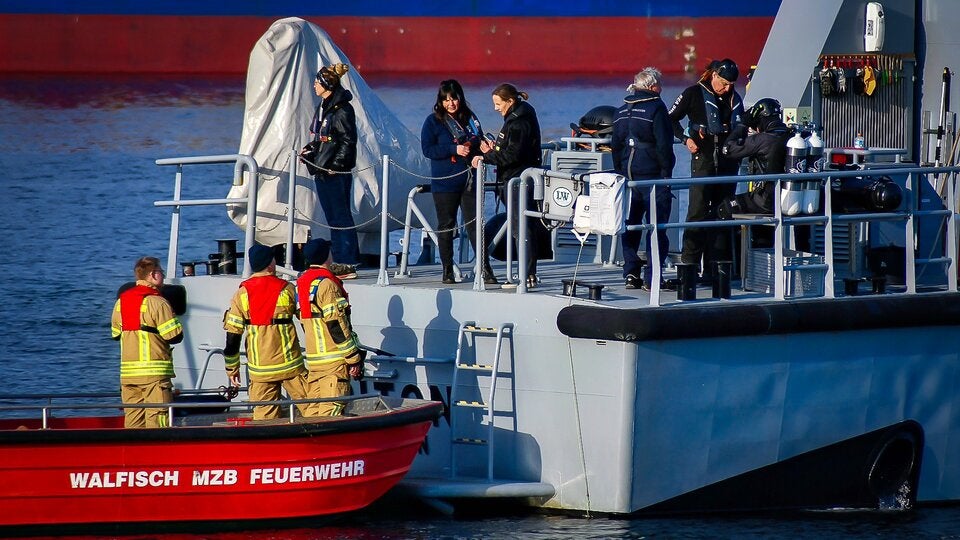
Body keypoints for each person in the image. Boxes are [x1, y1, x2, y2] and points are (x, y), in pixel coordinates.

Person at [668, 58, 745, 281]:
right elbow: (670, 119)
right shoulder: (692, 93)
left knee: (723, 213)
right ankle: (689, 267)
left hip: (728, 162)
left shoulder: (733, 99)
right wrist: (685, 139)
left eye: (731, 84)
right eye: (724, 83)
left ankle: (717, 268)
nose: (728, 88)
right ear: (713, 76)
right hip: (703, 160)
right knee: (697, 212)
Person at [421, 79, 498, 285]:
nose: (451, 103)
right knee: (446, 225)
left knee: (475, 225)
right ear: (440, 101)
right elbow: (428, 149)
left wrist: (483, 148)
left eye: (453, 98)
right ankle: (447, 269)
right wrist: (453, 149)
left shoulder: (470, 119)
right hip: (445, 183)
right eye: (446, 100)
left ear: (460, 98)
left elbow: (477, 138)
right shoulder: (433, 121)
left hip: (470, 180)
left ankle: (485, 268)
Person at [222, 244, 310, 420]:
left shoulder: (241, 294)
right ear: (270, 264)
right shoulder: (288, 289)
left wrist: (232, 368)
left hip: (260, 371)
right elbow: (307, 322)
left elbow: (232, 337)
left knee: (264, 419)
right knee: (312, 409)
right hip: (291, 366)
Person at [471, 83, 543, 288]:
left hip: (518, 180)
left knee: (522, 227)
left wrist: (487, 156)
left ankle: (527, 273)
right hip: (513, 178)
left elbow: (513, 154)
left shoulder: (519, 122)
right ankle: (524, 271)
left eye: (498, 103)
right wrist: (495, 149)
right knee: (519, 226)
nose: (495, 108)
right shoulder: (516, 117)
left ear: (510, 101)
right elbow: (510, 147)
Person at [611, 67, 676, 290]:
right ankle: (652, 277)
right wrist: (667, 175)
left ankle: (630, 273)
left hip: (628, 178)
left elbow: (615, 146)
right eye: (659, 85)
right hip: (653, 177)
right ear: (651, 87)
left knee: (630, 225)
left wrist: (621, 172)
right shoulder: (657, 108)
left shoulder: (621, 111)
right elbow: (664, 144)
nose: (662, 89)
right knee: (657, 227)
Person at [111, 257, 183, 428]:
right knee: (158, 421)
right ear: (153, 274)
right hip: (154, 376)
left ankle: (134, 453)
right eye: (161, 272)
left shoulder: (121, 302)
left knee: (133, 422)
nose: (163, 276)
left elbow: (115, 334)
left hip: (128, 376)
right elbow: (175, 336)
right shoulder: (158, 302)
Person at [301, 63, 360, 268]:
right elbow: (323, 137)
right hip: (323, 169)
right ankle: (339, 258)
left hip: (334, 171)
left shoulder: (342, 110)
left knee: (341, 217)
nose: (314, 86)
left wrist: (336, 165)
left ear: (328, 84)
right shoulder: (325, 108)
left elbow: (347, 141)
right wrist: (311, 150)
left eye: (318, 82)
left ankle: (347, 260)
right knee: (333, 218)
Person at [296, 238, 364, 416]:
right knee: (330, 413)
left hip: (315, 361)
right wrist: (353, 357)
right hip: (333, 362)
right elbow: (336, 324)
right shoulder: (327, 285)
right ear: (327, 256)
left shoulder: (303, 284)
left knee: (313, 414)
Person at [718, 98, 791, 218]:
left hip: (767, 202)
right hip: (791, 198)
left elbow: (728, 149)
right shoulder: (792, 136)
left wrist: (743, 124)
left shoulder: (763, 139)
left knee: (724, 208)